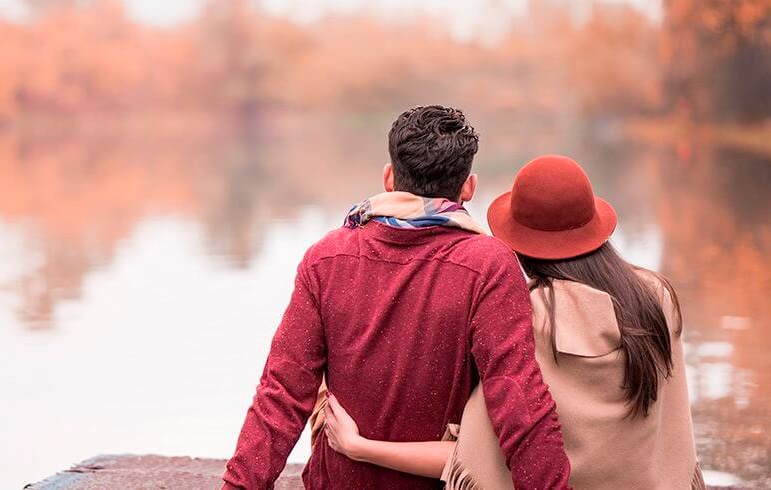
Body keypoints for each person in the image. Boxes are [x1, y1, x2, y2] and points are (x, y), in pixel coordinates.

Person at [221, 107, 572, 489]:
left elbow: (282, 395)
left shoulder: (327, 257)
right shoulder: (488, 264)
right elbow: (519, 400)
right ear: (468, 187)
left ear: (389, 178)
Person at [320, 155, 705, 489]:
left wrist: (361, 448)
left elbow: (471, 459)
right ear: (594, 222)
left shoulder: (521, 314)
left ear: (516, 240)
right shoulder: (656, 298)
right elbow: (671, 434)